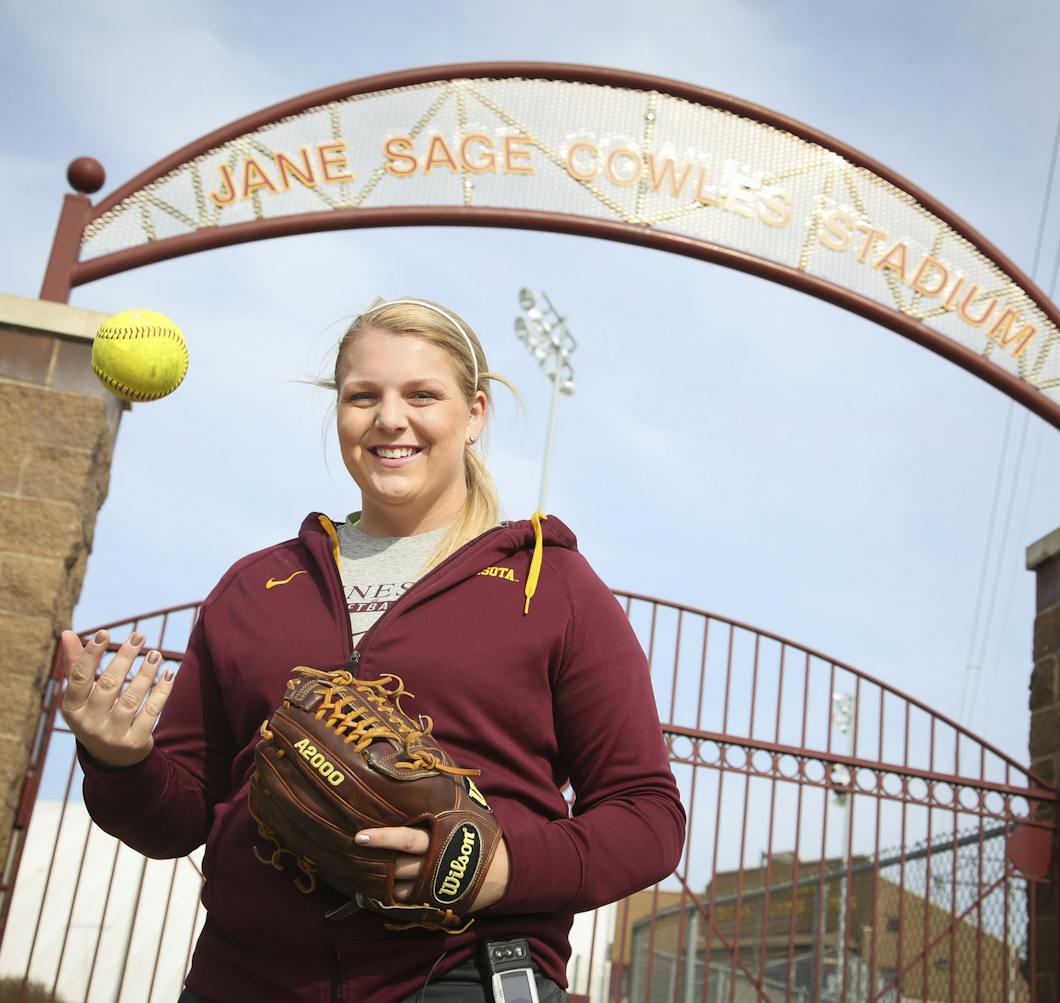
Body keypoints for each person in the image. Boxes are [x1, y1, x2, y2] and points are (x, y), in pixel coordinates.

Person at [59, 297, 685, 1002]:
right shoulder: (256, 586)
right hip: (245, 979)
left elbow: (647, 814)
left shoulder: (553, 582)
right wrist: (118, 760)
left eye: (423, 394)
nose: (391, 418)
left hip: (462, 974)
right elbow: (179, 817)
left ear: (475, 413)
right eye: (364, 396)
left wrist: (499, 863)